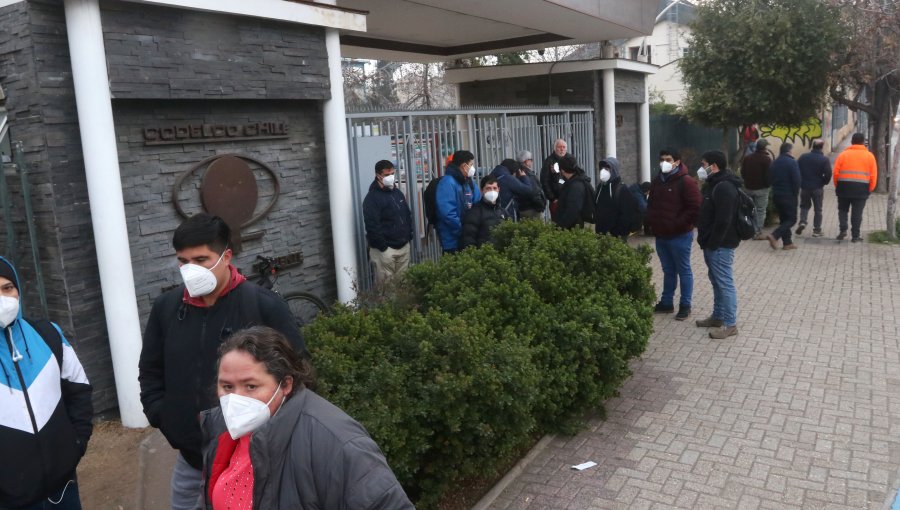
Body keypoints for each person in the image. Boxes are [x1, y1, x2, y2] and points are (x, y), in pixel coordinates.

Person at [139, 213, 307, 510]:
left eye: (201, 260)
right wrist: (164, 417)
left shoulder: (264, 306)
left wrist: (272, 437)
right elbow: (150, 370)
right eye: (183, 261)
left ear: (226, 256)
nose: (190, 270)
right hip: (191, 464)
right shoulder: (166, 308)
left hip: (253, 463)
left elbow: (298, 377)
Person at [200, 326, 414, 509]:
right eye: (227, 386)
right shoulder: (223, 428)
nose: (236, 399)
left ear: (285, 385)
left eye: (251, 386)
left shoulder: (337, 443)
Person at [0, 257, 93, 510]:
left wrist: (76, 444)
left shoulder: (48, 334)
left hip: (62, 486)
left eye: (7, 288)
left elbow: (79, 389)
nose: (3, 298)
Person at [645, 148, 702, 321]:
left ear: (677, 162)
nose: (664, 162)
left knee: (684, 270)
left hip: (680, 235)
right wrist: (651, 221)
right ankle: (666, 302)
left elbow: (695, 206)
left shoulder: (685, 181)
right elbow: (652, 204)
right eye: (662, 159)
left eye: (668, 159)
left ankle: (685, 305)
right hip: (661, 235)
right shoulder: (657, 181)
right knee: (668, 270)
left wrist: (679, 223)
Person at [695, 150, 742, 339]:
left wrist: (713, 243)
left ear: (713, 166)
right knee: (716, 281)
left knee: (724, 283)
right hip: (712, 244)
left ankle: (730, 325)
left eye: (704, 164)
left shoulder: (724, 187)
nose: (701, 168)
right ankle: (718, 316)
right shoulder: (714, 184)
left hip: (720, 245)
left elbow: (724, 220)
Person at [362, 160, 414, 284]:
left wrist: (408, 236)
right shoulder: (372, 198)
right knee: (386, 291)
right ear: (378, 176)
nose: (390, 177)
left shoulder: (397, 193)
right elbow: (372, 226)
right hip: (385, 251)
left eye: (392, 173)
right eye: (386, 175)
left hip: (403, 247)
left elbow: (407, 215)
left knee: (403, 286)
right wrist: (383, 247)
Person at [833, 132, 877, 242]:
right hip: (861, 190)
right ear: (863, 143)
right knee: (857, 214)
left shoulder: (843, 155)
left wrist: (837, 186)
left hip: (843, 187)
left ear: (851, 142)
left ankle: (843, 230)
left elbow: (835, 173)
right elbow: (873, 175)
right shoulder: (869, 156)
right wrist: (870, 189)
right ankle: (855, 236)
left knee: (842, 210)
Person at [435, 150, 481, 254]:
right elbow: (448, 214)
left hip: (468, 237)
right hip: (453, 241)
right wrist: (463, 231)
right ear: (464, 166)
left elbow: (477, 204)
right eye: (471, 164)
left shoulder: (468, 182)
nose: (473, 168)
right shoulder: (447, 183)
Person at [592, 157, 639, 240]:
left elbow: (626, 215)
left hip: (617, 236)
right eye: (602, 168)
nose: (603, 171)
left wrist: (616, 232)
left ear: (614, 170)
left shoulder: (622, 189)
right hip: (601, 233)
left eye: (607, 169)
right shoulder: (600, 187)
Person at [766, 143, 801, 250]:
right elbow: (797, 180)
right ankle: (774, 235)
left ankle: (787, 243)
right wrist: (795, 194)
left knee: (784, 219)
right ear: (789, 151)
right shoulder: (792, 162)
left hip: (777, 195)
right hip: (788, 195)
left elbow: (769, 179)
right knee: (792, 219)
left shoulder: (774, 162)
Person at [460, 175, 508, 249]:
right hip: (484, 256)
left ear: (499, 189)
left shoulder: (503, 212)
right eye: (488, 188)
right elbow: (468, 240)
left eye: (494, 188)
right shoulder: (474, 213)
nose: (492, 191)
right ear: (482, 190)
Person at [796, 139, 832, 237]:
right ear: (822, 147)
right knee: (818, 209)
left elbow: (796, 170)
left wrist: (801, 182)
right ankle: (816, 230)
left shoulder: (803, 157)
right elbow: (828, 174)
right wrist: (824, 182)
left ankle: (802, 222)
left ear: (812, 146)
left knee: (804, 206)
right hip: (817, 188)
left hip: (804, 187)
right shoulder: (824, 159)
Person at [741, 138, 772, 240]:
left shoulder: (748, 158)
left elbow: (742, 172)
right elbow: (769, 176)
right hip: (761, 189)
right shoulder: (767, 159)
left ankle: (747, 229)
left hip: (748, 188)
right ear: (765, 148)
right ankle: (757, 232)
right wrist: (768, 185)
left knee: (749, 209)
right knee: (760, 210)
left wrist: (746, 182)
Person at [553, 154, 593, 230]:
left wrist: (560, 227)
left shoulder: (575, 186)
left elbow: (572, 211)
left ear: (562, 170)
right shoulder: (574, 180)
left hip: (573, 229)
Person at [539, 139, 571, 221]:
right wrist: (552, 198)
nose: (562, 149)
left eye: (564, 147)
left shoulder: (570, 159)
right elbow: (544, 181)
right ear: (555, 148)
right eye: (560, 147)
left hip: (570, 197)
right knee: (557, 222)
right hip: (557, 198)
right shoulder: (549, 161)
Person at [514, 150, 547, 220]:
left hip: (524, 207)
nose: (532, 162)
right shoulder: (527, 174)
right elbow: (534, 192)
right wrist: (541, 205)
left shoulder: (517, 172)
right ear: (526, 161)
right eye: (531, 160)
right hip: (532, 209)